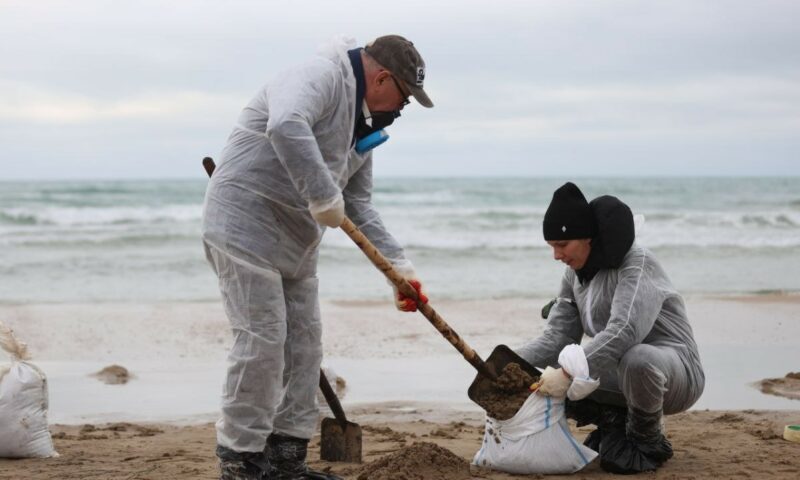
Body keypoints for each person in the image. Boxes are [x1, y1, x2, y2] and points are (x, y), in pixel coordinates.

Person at [201, 35, 433, 480]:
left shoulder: (363, 128)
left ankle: (287, 456)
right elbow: (285, 124)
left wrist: (399, 270)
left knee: (305, 347)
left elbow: (359, 206)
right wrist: (323, 193)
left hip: (296, 243)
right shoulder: (321, 75)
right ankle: (240, 458)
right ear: (382, 77)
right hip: (243, 223)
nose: (400, 110)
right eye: (403, 98)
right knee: (262, 342)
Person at [516, 182, 705, 474]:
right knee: (542, 373)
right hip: (619, 375)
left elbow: (624, 331)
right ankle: (615, 420)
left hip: (674, 374)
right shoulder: (573, 274)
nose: (556, 255)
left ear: (587, 238)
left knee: (635, 358)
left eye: (562, 245)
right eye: (552, 247)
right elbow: (556, 339)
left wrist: (566, 373)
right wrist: (505, 362)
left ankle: (647, 438)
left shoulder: (637, 262)